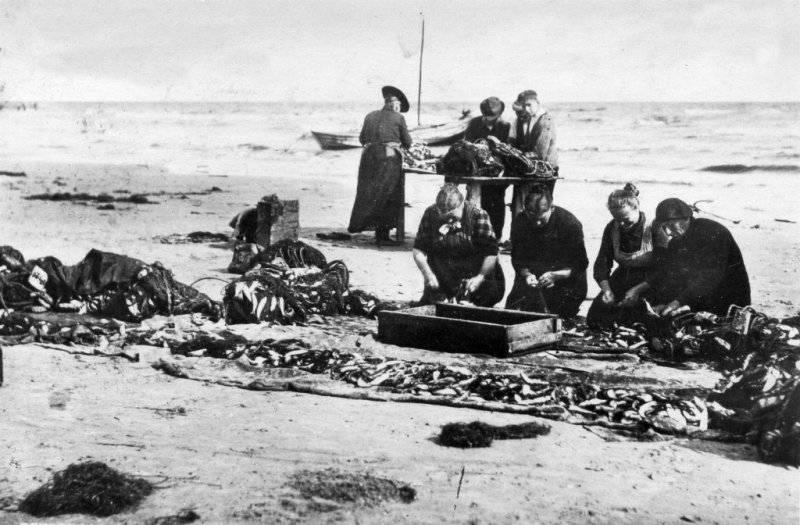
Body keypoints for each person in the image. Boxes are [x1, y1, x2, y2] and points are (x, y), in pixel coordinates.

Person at [646, 198, 750, 317]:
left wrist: (676, 303)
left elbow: (710, 277)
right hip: (700, 298)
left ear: (686, 218)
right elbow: (672, 275)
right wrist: (664, 303)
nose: (668, 232)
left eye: (671, 225)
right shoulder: (676, 243)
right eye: (664, 227)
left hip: (729, 301)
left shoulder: (713, 232)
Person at [412, 184, 505, 307]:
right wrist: (427, 273)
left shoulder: (478, 215)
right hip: (443, 277)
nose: (448, 220)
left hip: (474, 278)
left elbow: (491, 252)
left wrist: (480, 277)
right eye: (443, 217)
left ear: (461, 205)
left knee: (476, 307)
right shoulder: (431, 213)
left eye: (451, 215)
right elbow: (418, 249)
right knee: (435, 307)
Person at [505, 185, 588, 319]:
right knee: (513, 314)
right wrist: (526, 274)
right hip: (534, 277)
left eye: (542, 219)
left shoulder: (569, 224)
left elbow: (581, 264)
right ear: (525, 210)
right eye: (532, 218)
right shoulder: (519, 222)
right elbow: (518, 258)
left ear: (552, 208)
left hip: (564, 278)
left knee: (555, 317)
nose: (537, 224)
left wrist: (555, 276)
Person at [348, 85, 413, 245]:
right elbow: (408, 142)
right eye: (399, 107)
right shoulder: (398, 118)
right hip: (387, 159)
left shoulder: (370, 116)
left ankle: (362, 226)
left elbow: (362, 139)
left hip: (368, 158)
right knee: (388, 194)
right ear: (396, 105)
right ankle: (382, 236)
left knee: (368, 193)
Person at [586, 183, 655, 328]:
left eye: (626, 219)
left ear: (636, 208)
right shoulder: (612, 227)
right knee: (595, 319)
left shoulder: (653, 227)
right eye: (618, 219)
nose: (622, 224)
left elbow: (665, 269)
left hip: (650, 280)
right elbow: (602, 263)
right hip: (623, 276)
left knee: (640, 318)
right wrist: (607, 290)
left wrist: (636, 290)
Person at [464, 96, 511, 240]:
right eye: (486, 117)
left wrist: (499, 145)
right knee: (477, 202)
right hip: (478, 169)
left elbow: (510, 149)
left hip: (498, 171)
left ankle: (496, 237)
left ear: (499, 114)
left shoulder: (506, 126)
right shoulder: (474, 123)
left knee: (497, 201)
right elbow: (466, 144)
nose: (489, 120)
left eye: (493, 117)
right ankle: (478, 234)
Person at [508, 89, 559, 195]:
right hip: (532, 168)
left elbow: (540, 152)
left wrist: (518, 156)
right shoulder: (530, 118)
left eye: (529, 105)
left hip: (546, 170)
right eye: (524, 106)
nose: (527, 109)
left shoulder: (545, 121)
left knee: (539, 201)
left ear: (538, 103)